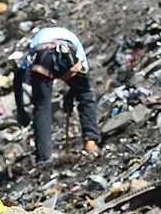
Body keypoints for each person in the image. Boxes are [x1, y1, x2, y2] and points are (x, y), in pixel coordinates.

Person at [13, 26, 100, 163]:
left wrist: (20, 110)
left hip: (42, 56)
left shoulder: (37, 41)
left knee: (42, 107)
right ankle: (90, 143)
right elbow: (83, 77)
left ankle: (43, 157)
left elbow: (18, 75)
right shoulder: (72, 38)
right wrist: (73, 93)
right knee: (85, 96)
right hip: (67, 53)